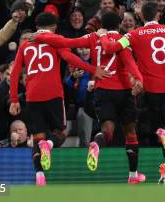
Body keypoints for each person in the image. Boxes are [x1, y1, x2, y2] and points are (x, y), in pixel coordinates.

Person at [32, 12, 146, 184]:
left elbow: (66, 42)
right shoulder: (123, 40)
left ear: (102, 24)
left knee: (107, 131)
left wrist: (42, 37)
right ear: (119, 24)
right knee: (130, 133)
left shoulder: (93, 37)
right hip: (123, 90)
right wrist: (138, 79)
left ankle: (97, 144)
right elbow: (129, 62)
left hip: (102, 90)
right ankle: (133, 175)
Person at [9, 12, 109, 186]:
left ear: (37, 27)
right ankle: (49, 144)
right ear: (54, 26)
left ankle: (39, 175)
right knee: (62, 133)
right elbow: (71, 56)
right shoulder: (54, 40)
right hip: (53, 94)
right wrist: (92, 68)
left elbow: (15, 72)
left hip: (32, 96)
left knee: (37, 137)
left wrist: (14, 100)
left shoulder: (25, 45)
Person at [100, 1, 165, 184]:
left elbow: (111, 48)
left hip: (150, 90)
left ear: (141, 17)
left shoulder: (134, 34)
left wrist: (103, 36)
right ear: (158, 15)